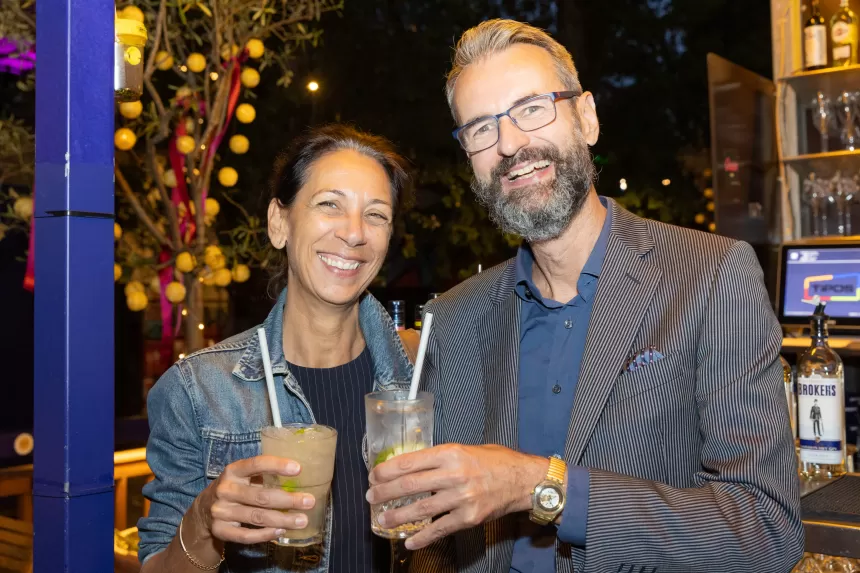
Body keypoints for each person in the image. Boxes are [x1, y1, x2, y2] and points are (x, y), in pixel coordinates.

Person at [366, 19, 804, 573]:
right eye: (481, 128)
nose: (510, 145)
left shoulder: (711, 277)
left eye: (531, 108)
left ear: (587, 117)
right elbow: (436, 538)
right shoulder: (453, 318)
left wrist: (540, 487)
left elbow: (765, 530)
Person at [138, 124, 414, 573]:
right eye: (330, 205)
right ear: (279, 223)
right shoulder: (198, 390)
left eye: (376, 215)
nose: (355, 233)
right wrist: (204, 520)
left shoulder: (425, 374)